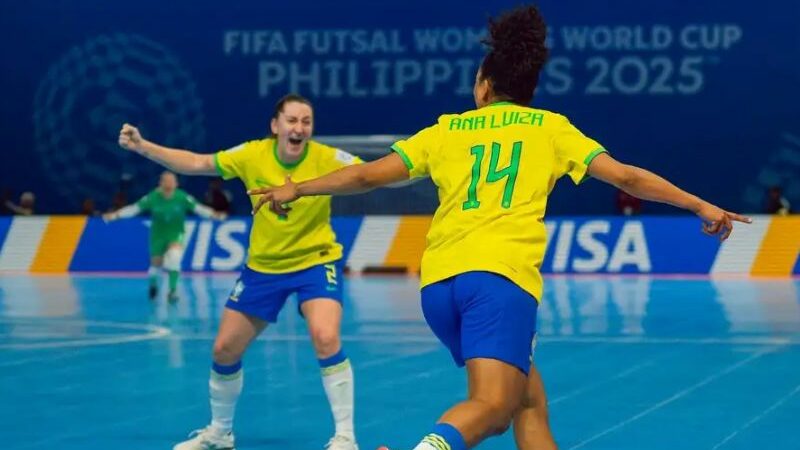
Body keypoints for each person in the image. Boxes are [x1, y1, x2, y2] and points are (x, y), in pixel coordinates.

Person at [248, 6, 752, 450]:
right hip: (500, 282)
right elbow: (627, 177)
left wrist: (298, 188)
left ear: (485, 87)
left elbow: (364, 175)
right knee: (491, 408)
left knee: (525, 401)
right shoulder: (551, 128)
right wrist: (700, 205)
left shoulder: (447, 129)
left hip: (439, 287)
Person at [117, 94, 362, 450]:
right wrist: (143, 147)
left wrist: (419, 163)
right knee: (224, 350)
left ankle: (345, 437)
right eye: (292, 120)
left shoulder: (328, 158)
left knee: (325, 337)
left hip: (316, 261)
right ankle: (220, 433)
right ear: (275, 126)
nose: (299, 128)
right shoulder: (251, 154)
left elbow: (370, 174)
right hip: (264, 267)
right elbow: (198, 163)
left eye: (306, 121)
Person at [103, 171, 225, 301]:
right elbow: (135, 208)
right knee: (156, 264)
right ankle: (153, 284)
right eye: (166, 181)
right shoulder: (152, 197)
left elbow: (198, 208)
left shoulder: (182, 197)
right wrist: (116, 215)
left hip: (175, 233)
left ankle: (173, 291)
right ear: (161, 183)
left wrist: (213, 214)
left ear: (176, 184)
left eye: (172, 181)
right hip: (158, 235)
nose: (169, 184)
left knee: (174, 257)